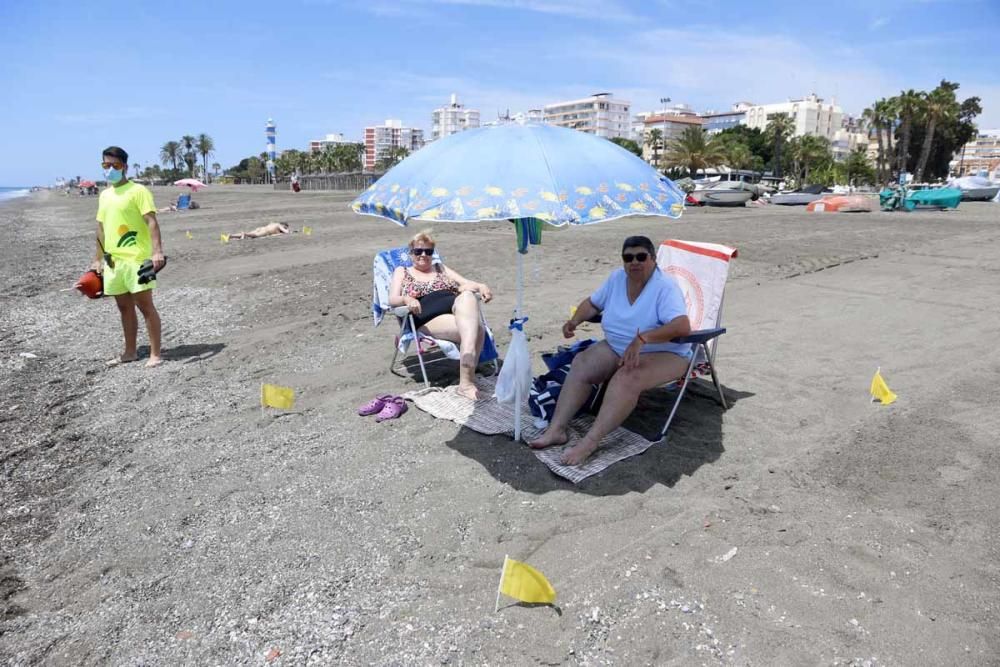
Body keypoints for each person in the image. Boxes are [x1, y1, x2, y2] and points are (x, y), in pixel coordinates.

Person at [528, 235, 692, 466]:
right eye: (628, 257)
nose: (634, 262)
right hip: (617, 346)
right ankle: (557, 429)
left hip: (665, 352)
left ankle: (589, 442)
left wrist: (643, 338)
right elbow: (593, 303)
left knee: (627, 377)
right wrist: (574, 321)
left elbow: (682, 326)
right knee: (582, 362)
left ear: (653, 259)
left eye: (641, 256)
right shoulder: (617, 278)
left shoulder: (665, 287)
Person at [388, 231, 493, 400]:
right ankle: (468, 379)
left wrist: (481, 286)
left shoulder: (440, 267)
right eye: (418, 251)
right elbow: (392, 299)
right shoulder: (402, 271)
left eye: (428, 252)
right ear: (411, 253)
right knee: (477, 330)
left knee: (466, 295)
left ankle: (466, 379)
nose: (423, 255)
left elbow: (465, 283)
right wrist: (407, 298)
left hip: (454, 310)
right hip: (426, 318)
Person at [91, 146, 165, 368]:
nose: (111, 169)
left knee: (145, 306)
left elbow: (151, 221)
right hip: (114, 261)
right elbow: (101, 228)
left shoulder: (138, 191)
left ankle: (155, 354)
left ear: (125, 166)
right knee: (124, 307)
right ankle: (130, 352)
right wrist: (98, 258)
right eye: (106, 165)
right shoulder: (104, 195)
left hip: (137, 259)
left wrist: (157, 251)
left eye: (116, 165)